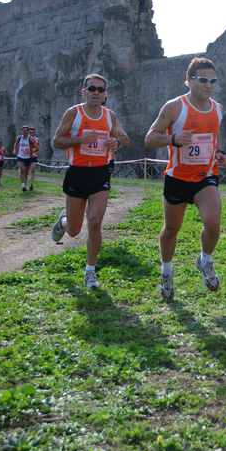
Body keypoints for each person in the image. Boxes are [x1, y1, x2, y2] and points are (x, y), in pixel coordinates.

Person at [145, 56, 226, 300]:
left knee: (213, 223)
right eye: (203, 80)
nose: (208, 85)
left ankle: (205, 260)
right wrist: (173, 139)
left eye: (212, 81)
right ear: (189, 80)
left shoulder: (218, 109)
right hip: (178, 177)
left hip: (205, 176)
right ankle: (167, 272)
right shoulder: (174, 107)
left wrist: (220, 154)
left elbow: (215, 136)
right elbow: (150, 138)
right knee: (171, 229)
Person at [51, 73, 130, 289]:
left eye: (100, 90)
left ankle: (90, 272)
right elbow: (56, 141)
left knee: (95, 223)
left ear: (105, 95)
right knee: (74, 230)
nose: (96, 93)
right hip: (77, 173)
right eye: (92, 89)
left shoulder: (110, 116)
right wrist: (80, 139)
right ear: (84, 92)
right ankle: (62, 222)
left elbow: (124, 139)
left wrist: (116, 143)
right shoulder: (73, 113)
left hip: (100, 173)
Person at [13, 125, 39, 191]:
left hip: (28, 157)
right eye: (24, 130)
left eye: (26, 131)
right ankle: (23, 185)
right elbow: (16, 144)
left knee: (26, 171)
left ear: (28, 131)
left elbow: (37, 148)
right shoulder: (19, 138)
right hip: (20, 156)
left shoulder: (31, 139)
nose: (25, 132)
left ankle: (25, 178)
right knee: (22, 170)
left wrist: (31, 152)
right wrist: (14, 150)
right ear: (22, 131)